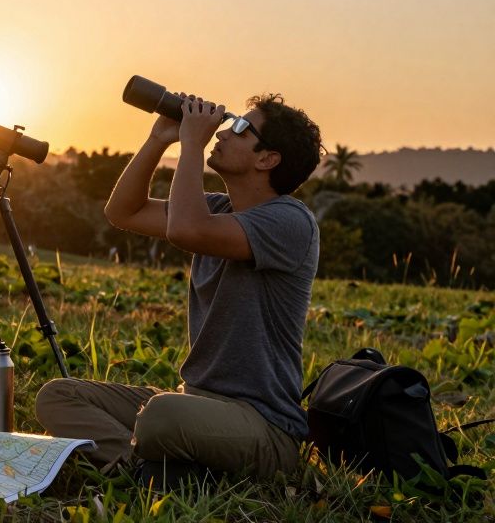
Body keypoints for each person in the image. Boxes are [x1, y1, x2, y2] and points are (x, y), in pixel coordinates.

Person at [35, 93, 323, 486]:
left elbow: (187, 229)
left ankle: (153, 463)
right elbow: (123, 211)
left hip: (264, 426)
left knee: (160, 415)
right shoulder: (217, 208)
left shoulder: (290, 221)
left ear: (267, 159)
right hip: (196, 404)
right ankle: (146, 471)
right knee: (58, 395)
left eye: (240, 127)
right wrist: (159, 139)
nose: (223, 131)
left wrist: (192, 143)